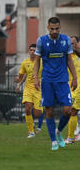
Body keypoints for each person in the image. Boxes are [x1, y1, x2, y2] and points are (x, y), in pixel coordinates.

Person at [33, 17, 77, 151]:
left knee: (68, 110)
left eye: (56, 28)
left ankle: (59, 132)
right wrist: (36, 77)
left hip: (62, 80)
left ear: (60, 27)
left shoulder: (66, 41)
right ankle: (53, 141)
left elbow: (69, 60)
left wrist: (74, 77)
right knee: (49, 111)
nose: (54, 31)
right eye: (52, 29)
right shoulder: (41, 41)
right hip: (47, 80)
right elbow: (37, 61)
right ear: (48, 28)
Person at [14, 44, 44, 138]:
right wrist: (18, 82)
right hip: (28, 89)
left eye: (34, 50)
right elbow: (22, 76)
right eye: (31, 50)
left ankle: (32, 122)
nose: (32, 52)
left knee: (38, 113)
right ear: (29, 51)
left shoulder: (42, 62)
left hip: (38, 90)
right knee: (27, 109)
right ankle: (31, 132)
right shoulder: (24, 63)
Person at [66, 36, 80, 143]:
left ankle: (71, 137)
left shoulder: (78, 55)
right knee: (70, 111)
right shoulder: (67, 57)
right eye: (69, 43)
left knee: (73, 111)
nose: (71, 45)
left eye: (73, 43)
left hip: (78, 88)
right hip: (68, 87)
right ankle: (75, 132)